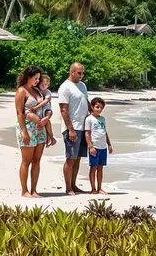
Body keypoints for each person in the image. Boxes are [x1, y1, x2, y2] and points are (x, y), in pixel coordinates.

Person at [14, 66, 48, 198]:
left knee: (37, 160)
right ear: (28, 77)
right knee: (26, 161)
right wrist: (24, 132)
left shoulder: (37, 91)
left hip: (40, 128)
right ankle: (24, 191)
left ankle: (34, 190)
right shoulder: (21, 91)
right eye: (35, 78)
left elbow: (45, 106)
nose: (37, 81)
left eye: (39, 78)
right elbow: (19, 113)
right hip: (27, 128)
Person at [57, 62, 90, 195]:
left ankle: (74, 185)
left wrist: (93, 115)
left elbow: (86, 101)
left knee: (78, 158)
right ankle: (68, 187)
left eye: (83, 73)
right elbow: (63, 110)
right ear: (72, 72)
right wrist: (70, 129)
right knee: (71, 158)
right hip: (72, 127)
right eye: (79, 73)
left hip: (83, 126)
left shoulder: (82, 85)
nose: (81, 75)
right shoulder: (65, 87)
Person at [84, 97, 113, 195]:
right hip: (95, 147)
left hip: (103, 147)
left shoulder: (102, 119)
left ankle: (100, 188)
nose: (99, 109)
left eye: (101, 108)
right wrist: (91, 146)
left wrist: (109, 144)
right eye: (97, 107)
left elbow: (105, 132)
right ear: (92, 107)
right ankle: (93, 188)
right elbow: (87, 133)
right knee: (93, 168)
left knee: (100, 168)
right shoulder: (89, 119)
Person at [24, 73, 56, 148]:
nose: (44, 86)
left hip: (45, 108)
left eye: (46, 84)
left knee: (47, 118)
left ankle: (51, 137)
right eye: (42, 84)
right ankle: (48, 137)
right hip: (38, 112)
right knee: (43, 122)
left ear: (48, 85)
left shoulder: (48, 92)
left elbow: (46, 101)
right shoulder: (36, 90)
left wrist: (36, 107)